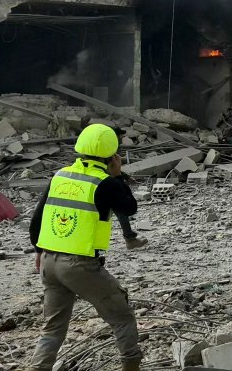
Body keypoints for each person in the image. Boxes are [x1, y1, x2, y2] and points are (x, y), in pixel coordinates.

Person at [28, 124, 143, 371]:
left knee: (53, 328)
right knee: (122, 318)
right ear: (112, 154)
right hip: (80, 265)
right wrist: (119, 175)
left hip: (49, 262)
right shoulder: (105, 182)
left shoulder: (60, 176)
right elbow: (129, 208)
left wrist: (39, 251)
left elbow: (37, 219)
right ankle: (132, 366)